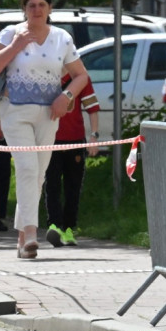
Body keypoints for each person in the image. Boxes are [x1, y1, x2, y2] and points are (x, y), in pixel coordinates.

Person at [0, 0, 89, 259]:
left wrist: (66, 96)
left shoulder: (62, 37)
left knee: (38, 175)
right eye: (31, 6)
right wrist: (16, 45)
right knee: (27, 168)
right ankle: (30, 232)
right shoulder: (10, 33)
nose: (37, 10)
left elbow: (80, 76)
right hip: (15, 111)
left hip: (49, 114)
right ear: (24, 9)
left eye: (42, 5)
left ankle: (20, 239)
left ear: (50, 9)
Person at [44, 72, 101, 247]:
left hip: (75, 140)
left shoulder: (80, 77)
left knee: (73, 186)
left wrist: (94, 137)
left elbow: (92, 109)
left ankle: (69, 228)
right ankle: (54, 226)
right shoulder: (46, 74)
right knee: (51, 184)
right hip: (50, 139)